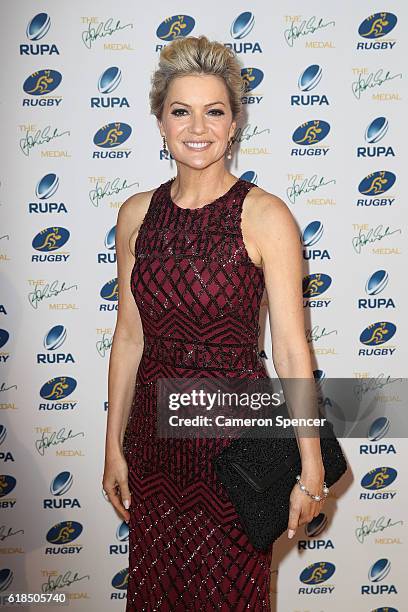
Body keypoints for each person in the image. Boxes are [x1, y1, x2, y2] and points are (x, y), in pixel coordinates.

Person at [102, 35, 326, 610]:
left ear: (233, 125)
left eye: (214, 111)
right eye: (181, 110)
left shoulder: (266, 214)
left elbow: (293, 352)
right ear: (160, 122)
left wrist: (309, 465)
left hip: (236, 450)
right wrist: (113, 448)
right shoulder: (135, 215)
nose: (196, 126)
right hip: (153, 444)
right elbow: (129, 338)